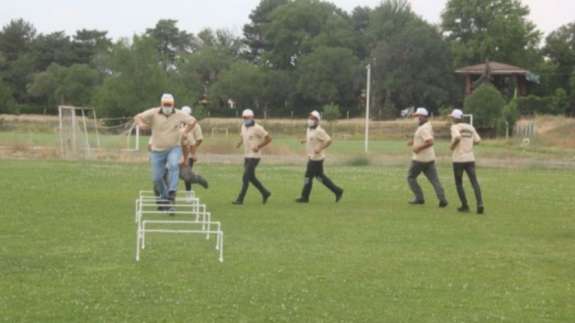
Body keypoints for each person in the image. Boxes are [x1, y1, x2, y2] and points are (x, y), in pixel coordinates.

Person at [134, 93, 196, 212]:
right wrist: (141, 124)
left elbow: (193, 121)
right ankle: (165, 196)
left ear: (173, 104)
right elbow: (137, 117)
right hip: (157, 150)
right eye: (165, 104)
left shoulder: (179, 114)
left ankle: (172, 191)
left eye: (170, 104)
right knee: (157, 178)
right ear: (161, 104)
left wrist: (185, 132)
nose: (167, 106)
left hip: (174, 147)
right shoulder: (153, 112)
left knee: (173, 165)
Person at [295, 110, 343, 203]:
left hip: (316, 159)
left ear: (317, 120)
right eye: (310, 117)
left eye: (313, 118)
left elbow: (329, 140)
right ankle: (338, 191)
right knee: (320, 178)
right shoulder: (309, 129)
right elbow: (312, 139)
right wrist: (304, 140)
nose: (310, 120)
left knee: (307, 177)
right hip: (312, 157)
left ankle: (304, 197)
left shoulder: (319, 130)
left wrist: (320, 148)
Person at [407, 107, 448, 208]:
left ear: (422, 116)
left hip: (419, 159)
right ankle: (442, 199)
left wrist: (418, 148)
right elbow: (424, 138)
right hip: (430, 158)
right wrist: (413, 141)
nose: (416, 118)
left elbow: (430, 142)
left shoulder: (423, 128)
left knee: (410, 177)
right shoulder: (427, 125)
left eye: (417, 116)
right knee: (435, 180)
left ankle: (419, 198)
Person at [232, 109, 272, 205]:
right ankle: (265, 192)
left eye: (247, 117)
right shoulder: (243, 126)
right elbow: (243, 136)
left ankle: (240, 199)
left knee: (246, 177)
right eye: (244, 117)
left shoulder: (258, 128)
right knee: (251, 177)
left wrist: (258, 146)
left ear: (252, 117)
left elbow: (269, 138)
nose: (245, 119)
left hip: (255, 156)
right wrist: (239, 143)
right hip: (247, 155)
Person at [449, 109, 484, 214]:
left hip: (458, 159)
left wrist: (452, 146)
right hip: (470, 159)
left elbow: (457, 137)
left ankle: (465, 205)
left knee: (459, 183)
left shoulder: (455, 127)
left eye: (452, 117)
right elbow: (478, 140)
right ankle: (480, 204)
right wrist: (468, 144)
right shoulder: (470, 127)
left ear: (455, 118)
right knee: (474, 182)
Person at [179, 106, 208, 201]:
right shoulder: (177, 123)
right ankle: (169, 193)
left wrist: (193, 151)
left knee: (187, 175)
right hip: (176, 152)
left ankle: (188, 194)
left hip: (189, 153)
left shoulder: (195, 125)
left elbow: (199, 139)